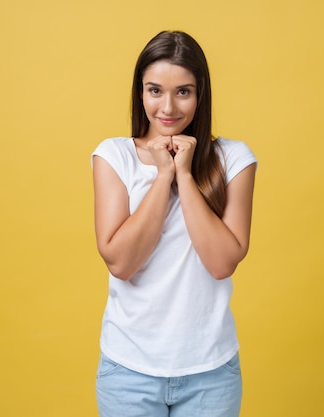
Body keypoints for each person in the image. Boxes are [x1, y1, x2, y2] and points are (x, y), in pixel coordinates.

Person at [91, 30, 257, 417]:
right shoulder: (114, 156)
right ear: (141, 92)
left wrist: (184, 175)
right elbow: (121, 262)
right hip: (128, 371)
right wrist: (162, 175)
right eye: (155, 90)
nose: (168, 106)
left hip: (211, 373)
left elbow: (221, 263)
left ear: (201, 95)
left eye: (183, 91)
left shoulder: (234, 158)